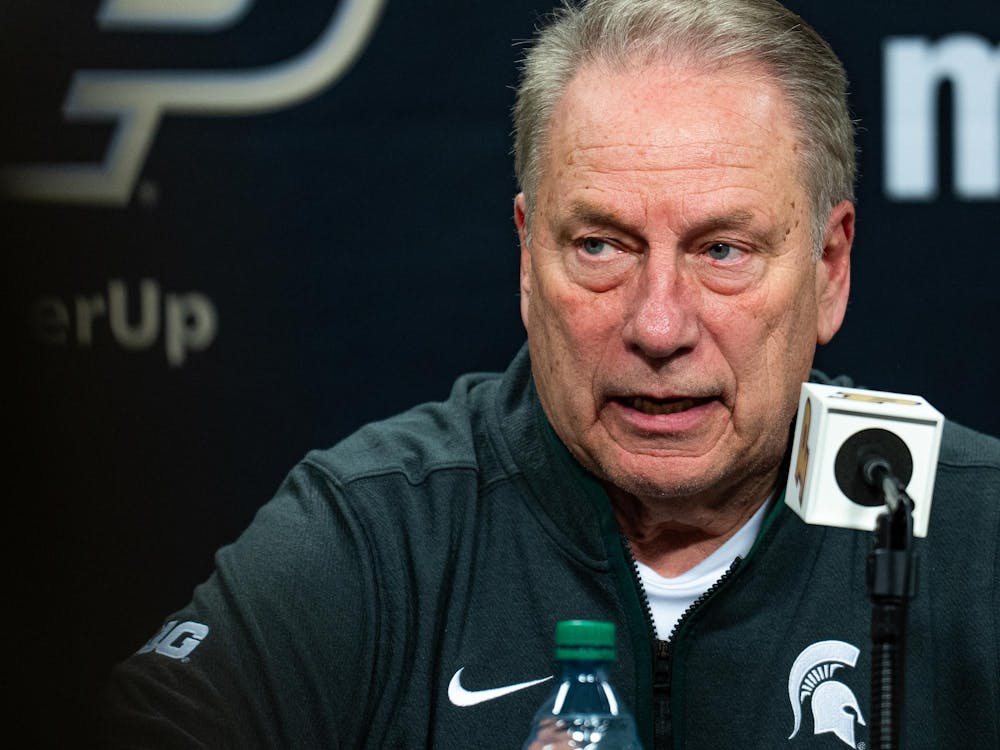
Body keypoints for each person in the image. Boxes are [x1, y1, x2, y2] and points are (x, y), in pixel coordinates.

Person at [104, 1, 1000, 748]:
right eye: (601, 246)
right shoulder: (383, 531)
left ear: (829, 269)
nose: (658, 326)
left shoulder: (974, 534)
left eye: (722, 250)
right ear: (529, 259)